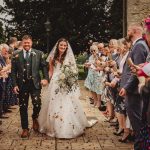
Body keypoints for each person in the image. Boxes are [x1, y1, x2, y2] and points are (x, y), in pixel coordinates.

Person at [38, 38, 97, 139]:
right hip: (55, 82)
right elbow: (51, 71)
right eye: (61, 45)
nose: (63, 47)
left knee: (66, 103)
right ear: (58, 46)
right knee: (53, 102)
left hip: (66, 82)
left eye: (65, 46)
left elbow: (73, 71)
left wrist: (69, 79)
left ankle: (66, 128)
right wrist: (49, 81)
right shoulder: (52, 57)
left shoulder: (69, 57)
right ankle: (53, 126)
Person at [11, 35, 49, 138]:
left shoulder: (39, 53)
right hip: (22, 85)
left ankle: (34, 117)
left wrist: (46, 78)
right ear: (22, 43)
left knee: (37, 104)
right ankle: (25, 129)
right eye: (25, 42)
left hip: (35, 84)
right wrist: (14, 85)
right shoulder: (15, 54)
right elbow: (13, 72)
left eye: (28, 42)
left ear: (31, 43)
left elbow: (44, 67)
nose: (26, 44)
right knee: (23, 106)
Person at [119, 23, 149, 149]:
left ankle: (140, 146)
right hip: (134, 90)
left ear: (136, 31)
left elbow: (136, 72)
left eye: (129, 29)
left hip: (135, 92)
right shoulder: (137, 45)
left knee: (137, 122)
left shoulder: (139, 46)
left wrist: (126, 87)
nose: (128, 31)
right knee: (136, 120)